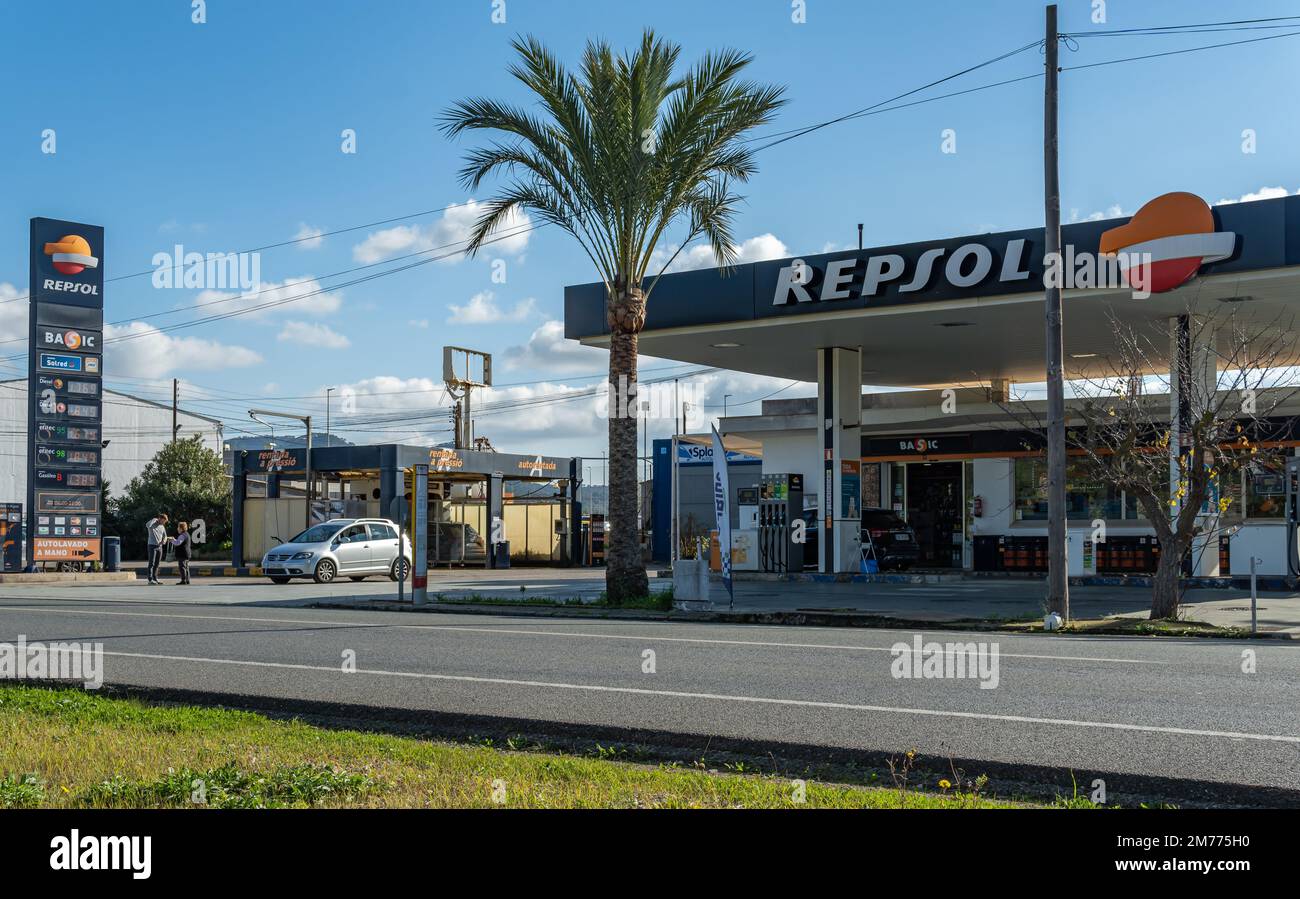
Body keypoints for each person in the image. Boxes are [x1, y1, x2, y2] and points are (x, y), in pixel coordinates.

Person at [145, 513, 168, 585]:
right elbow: (147, 525)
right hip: (152, 546)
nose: (164, 523)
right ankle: (150, 579)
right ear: (159, 519)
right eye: (163, 521)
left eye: (165, 522)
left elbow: (165, 536)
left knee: (157, 564)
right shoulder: (152, 524)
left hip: (159, 547)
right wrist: (154, 519)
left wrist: (164, 541)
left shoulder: (162, 526)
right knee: (151, 563)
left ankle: (155, 578)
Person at [170, 521, 192, 586]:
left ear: (181, 528)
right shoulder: (187, 534)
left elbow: (178, 543)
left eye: (178, 527)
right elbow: (179, 541)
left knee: (182, 567)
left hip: (182, 554)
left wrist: (171, 540)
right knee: (186, 567)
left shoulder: (182, 535)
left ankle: (183, 580)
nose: (177, 529)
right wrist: (174, 539)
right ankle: (187, 580)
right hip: (187, 553)